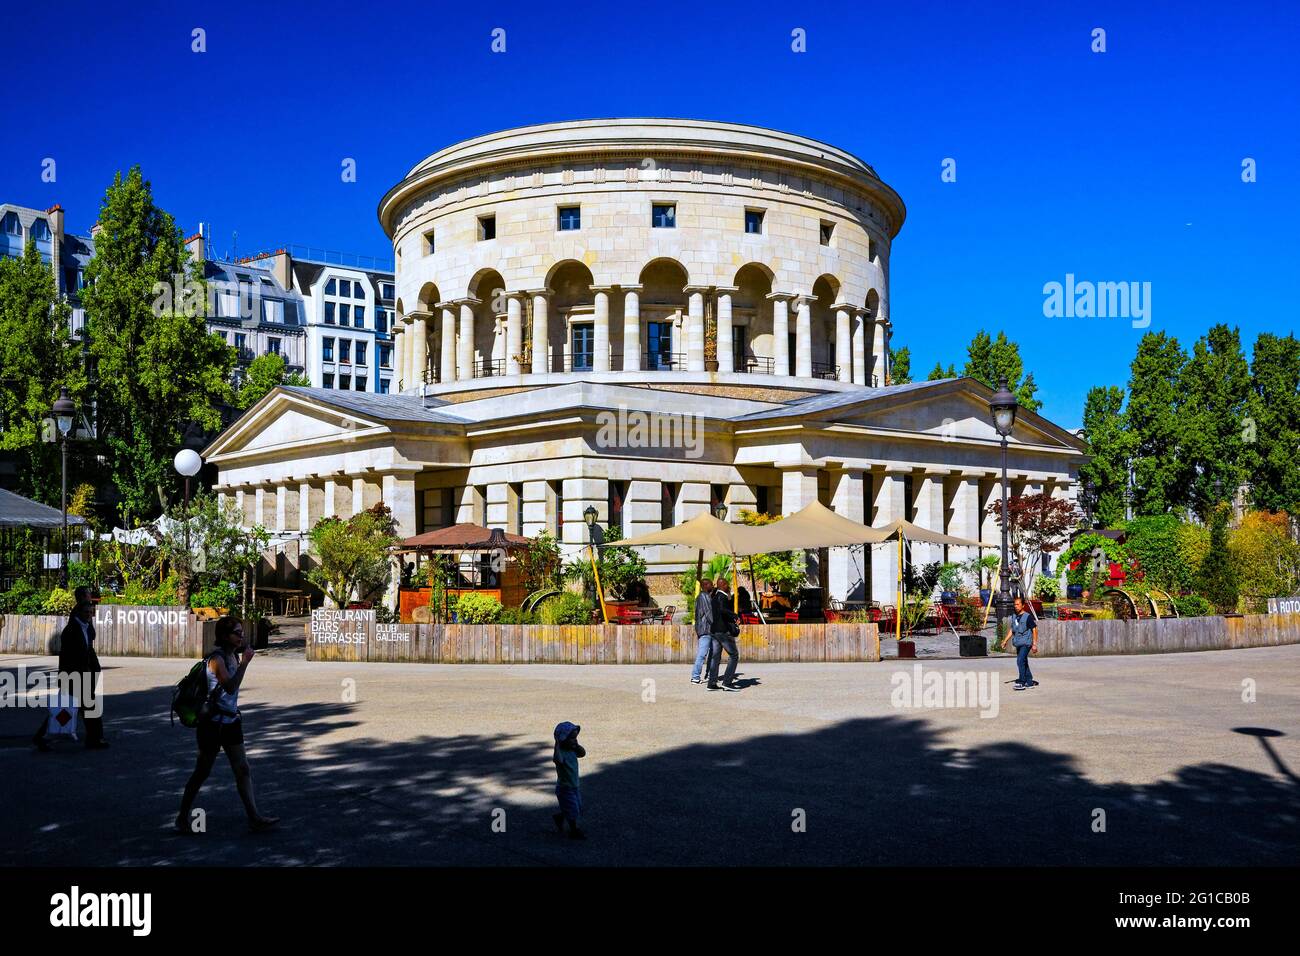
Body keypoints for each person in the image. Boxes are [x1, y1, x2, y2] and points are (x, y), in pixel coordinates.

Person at [176, 617, 279, 834]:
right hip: (212, 725)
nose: (241, 636)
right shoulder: (217, 660)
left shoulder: (232, 655)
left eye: (242, 632)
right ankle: (182, 817)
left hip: (231, 721)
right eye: (237, 633)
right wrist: (245, 663)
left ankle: (254, 817)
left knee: (242, 769)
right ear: (224, 636)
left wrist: (241, 662)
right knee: (202, 772)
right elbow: (230, 687)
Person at [33, 600, 105, 752]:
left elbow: (89, 650)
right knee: (65, 710)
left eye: (91, 613)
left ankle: (94, 739)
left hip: (82, 676)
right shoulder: (71, 630)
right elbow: (67, 657)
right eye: (86, 612)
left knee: (77, 709)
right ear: (78, 613)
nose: (89, 615)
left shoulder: (85, 627)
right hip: (74, 676)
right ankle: (42, 737)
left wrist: (94, 669)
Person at [551, 721, 586, 839]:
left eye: (576, 738)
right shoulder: (561, 753)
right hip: (565, 788)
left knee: (577, 807)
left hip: (574, 786)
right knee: (573, 809)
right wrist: (557, 745)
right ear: (562, 739)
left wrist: (576, 745)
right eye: (572, 738)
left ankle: (560, 817)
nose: (575, 740)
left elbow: (583, 753)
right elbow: (558, 760)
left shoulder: (572, 750)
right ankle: (574, 831)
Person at [708, 575, 740, 691]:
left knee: (715, 657)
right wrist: (734, 615)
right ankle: (727, 682)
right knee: (734, 655)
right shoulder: (722, 597)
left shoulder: (714, 597)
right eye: (727, 584)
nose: (728, 586)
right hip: (722, 631)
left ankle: (711, 683)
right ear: (723, 585)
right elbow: (722, 610)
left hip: (714, 631)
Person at [1009, 595, 1039, 690]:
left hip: (1026, 643)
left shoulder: (1028, 617)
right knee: (1023, 661)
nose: (1016, 606)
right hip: (1018, 642)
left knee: (1020, 661)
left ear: (1023, 606)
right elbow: (1012, 630)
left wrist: (1034, 644)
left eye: (1018, 604)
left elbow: (1034, 629)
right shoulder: (1015, 616)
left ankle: (1022, 682)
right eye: (1015, 604)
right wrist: (1005, 641)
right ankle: (1029, 682)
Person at [690, 577, 714, 684]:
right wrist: (716, 624)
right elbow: (708, 613)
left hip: (706, 629)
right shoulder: (704, 596)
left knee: (712, 653)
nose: (712, 586)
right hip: (706, 629)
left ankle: (709, 674)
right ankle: (695, 676)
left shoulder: (702, 596)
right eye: (710, 584)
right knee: (702, 654)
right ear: (705, 585)